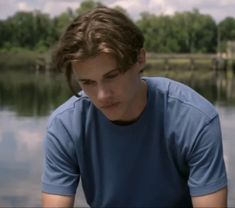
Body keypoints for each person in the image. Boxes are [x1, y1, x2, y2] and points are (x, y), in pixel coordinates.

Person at [41, 6, 228, 208]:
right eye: (87, 83)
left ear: (140, 59)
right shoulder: (65, 126)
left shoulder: (196, 119)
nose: (102, 96)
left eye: (112, 76)